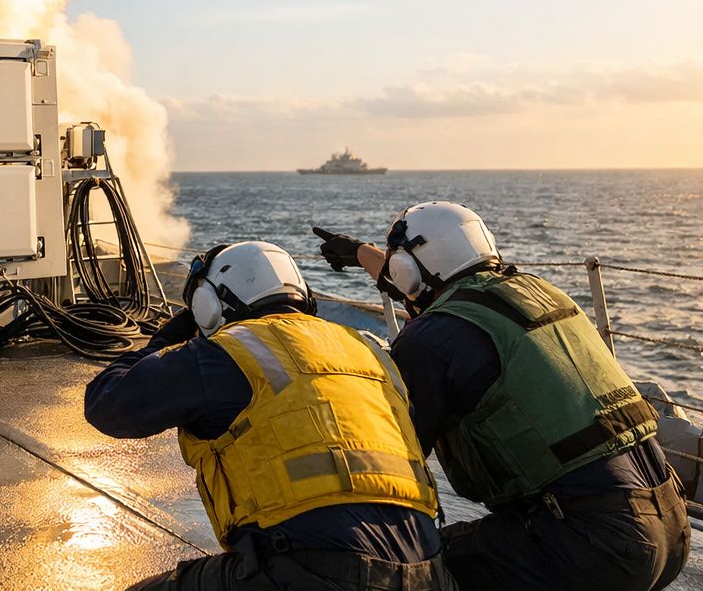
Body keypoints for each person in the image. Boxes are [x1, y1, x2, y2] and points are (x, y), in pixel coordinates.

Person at [316, 201, 691, 591]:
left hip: (592, 545)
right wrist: (363, 254)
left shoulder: (430, 339)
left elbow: (389, 467)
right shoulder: (539, 294)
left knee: (409, 567)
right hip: (670, 525)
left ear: (407, 271)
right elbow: (438, 290)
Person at [84, 240, 454, 590]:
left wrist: (166, 340)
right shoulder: (370, 351)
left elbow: (107, 404)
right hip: (429, 572)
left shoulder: (224, 354)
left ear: (207, 306)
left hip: (311, 573)